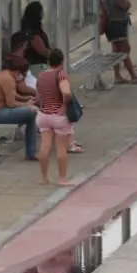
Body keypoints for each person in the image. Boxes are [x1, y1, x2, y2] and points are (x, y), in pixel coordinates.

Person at [0, 58, 38, 160]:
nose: (23, 79)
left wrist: (27, 99)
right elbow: (11, 103)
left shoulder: (6, 75)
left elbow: (13, 96)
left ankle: (31, 153)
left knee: (30, 117)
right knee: (31, 112)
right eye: (23, 76)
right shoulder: (8, 80)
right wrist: (26, 104)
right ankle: (31, 152)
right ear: (18, 73)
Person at [35, 49, 75, 186]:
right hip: (58, 117)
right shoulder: (61, 75)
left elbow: (39, 95)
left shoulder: (41, 76)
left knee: (45, 146)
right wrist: (64, 106)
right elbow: (67, 93)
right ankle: (62, 178)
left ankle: (43, 177)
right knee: (61, 148)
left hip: (43, 115)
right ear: (62, 61)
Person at [19, 1, 53, 70]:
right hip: (37, 67)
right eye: (41, 11)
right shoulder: (33, 33)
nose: (43, 13)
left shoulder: (27, 29)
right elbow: (42, 50)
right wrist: (55, 54)